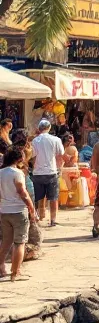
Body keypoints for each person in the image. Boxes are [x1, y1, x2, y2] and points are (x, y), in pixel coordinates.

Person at [0, 147, 36, 281]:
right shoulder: (17, 173)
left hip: (4, 211)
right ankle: (15, 272)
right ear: (19, 159)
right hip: (18, 211)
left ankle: (1, 268)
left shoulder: (1, 173)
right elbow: (22, 192)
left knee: (6, 241)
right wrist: (32, 208)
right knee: (19, 242)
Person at [30, 119, 64, 228]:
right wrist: (59, 168)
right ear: (49, 128)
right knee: (53, 197)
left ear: (39, 128)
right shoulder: (56, 140)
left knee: (38, 197)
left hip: (38, 172)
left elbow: (33, 156)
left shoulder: (35, 141)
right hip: (51, 171)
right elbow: (60, 155)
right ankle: (53, 220)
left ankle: (38, 217)